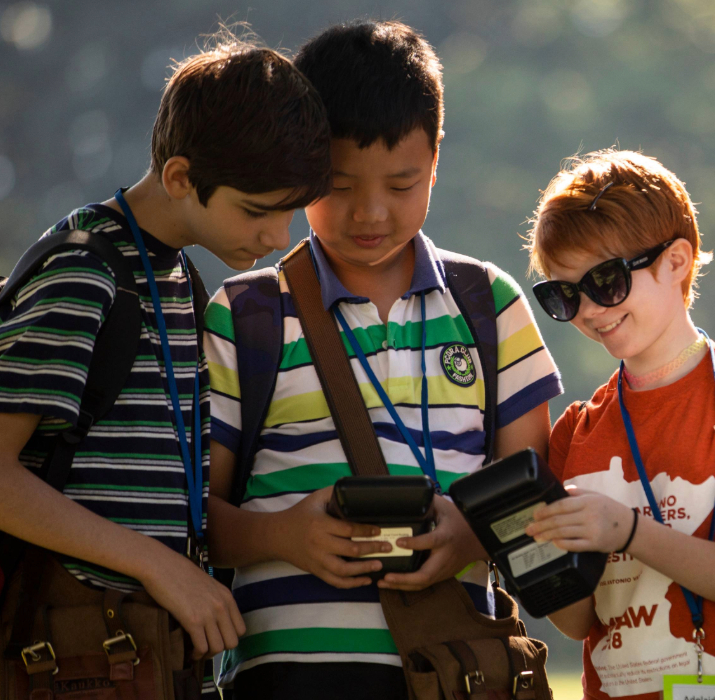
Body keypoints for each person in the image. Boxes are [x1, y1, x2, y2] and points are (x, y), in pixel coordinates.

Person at [0, 28, 331, 697]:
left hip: (145, 657)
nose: (277, 239)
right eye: (256, 212)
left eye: (290, 215)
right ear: (181, 176)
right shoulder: (85, 271)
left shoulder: (178, 277)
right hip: (69, 658)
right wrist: (159, 567)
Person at [202, 20, 563, 700]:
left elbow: (535, 497)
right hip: (287, 681)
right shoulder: (245, 315)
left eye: (402, 184)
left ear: (436, 159)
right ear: (299, 162)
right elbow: (194, 520)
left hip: (458, 676)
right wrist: (281, 536)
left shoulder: (491, 306)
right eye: (337, 185)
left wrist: (467, 535)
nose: (371, 213)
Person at [524, 149, 715, 699]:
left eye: (606, 281)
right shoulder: (575, 432)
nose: (588, 309)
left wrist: (627, 532)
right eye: (564, 294)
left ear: (677, 261)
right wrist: (529, 553)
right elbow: (578, 622)